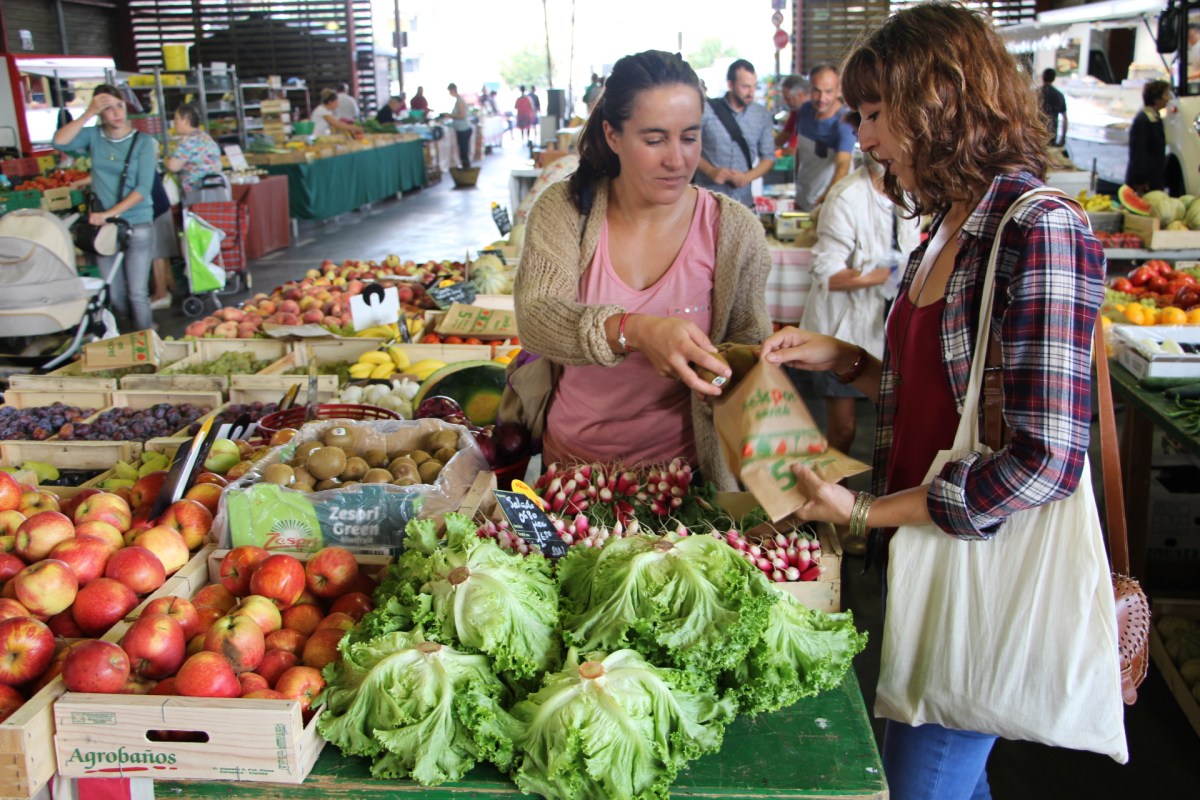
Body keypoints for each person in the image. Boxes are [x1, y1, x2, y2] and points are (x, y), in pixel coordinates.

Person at [760, 4, 1104, 797]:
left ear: (942, 101)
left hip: (979, 578)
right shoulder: (946, 225)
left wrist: (859, 514)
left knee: (920, 780)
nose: (865, 139)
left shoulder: (1038, 228)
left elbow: (1044, 460)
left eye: (877, 115)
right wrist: (844, 358)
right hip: (924, 562)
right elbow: (941, 394)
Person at [514, 49, 771, 489]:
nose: (677, 159)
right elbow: (537, 317)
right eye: (654, 140)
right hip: (572, 474)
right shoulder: (566, 209)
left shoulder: (733, 231)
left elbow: (748, 357)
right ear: (613, 135)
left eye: (690, 137)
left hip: (687, 480)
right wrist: (636, 331)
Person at [799, 110, 920, 477]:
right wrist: (885, 275)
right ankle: (825, 504)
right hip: (842, 329)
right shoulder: (847, 197)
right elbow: (827, 274)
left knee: (897, 422)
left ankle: (859, 505)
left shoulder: (911, 195)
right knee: (844, 429)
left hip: (886, 327)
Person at [53, 84, 158, 331]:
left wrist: (108, 214)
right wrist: (88, 113)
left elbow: (143, 189)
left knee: (137, 293)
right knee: (114, 292)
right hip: (104, 228)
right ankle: (126, 339)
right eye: (107, 108)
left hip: (137, 222)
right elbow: (59, 141)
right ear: (101, 113)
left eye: (119, 106)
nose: (116, 113)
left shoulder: (143, 143)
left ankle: (149, 345)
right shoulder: (94, 137)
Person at [695, 58, 775, 208]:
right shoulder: (706, 110)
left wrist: (747, 177)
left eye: (754, 87)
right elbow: (688, 148)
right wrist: (710, 170)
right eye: (745, 87)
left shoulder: (761, 114)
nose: (751, 93)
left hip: (743, 201)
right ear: (730, 85)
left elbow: (768, 157)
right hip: (707, 200)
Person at [791, 64, 856, 211]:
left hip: (827, 203)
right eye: (816, 91)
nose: (822, 98)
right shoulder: (804, 110)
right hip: (802, 197)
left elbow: (843, 166)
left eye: (828, 92)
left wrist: (826, 200)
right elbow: (800, 151)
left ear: (838, 91)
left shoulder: (845, 122)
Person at [165, 103, 222, 196]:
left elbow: (173, 167)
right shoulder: (205, 137)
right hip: (217, 188)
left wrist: (166, 160)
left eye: (176, 119)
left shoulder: (188, 141)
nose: (174, 123)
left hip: (197, 190)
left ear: (186, 121)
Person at [1126, 79, 1169, 194]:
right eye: (1166, 94)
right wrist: (1139, 180)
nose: (1168, 98)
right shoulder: (1143, 120)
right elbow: (1139, 151)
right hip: (1145, 183)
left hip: (1153, 179)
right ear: (1156, 98)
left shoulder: (1154, 118)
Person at [774, 74, 811, 151]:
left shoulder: (812, 112)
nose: (786, 102)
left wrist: (781, 151)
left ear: (800, 95)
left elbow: (796, 150)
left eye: (788, 98)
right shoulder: (796, 110)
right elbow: (785, 135)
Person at [1038, 68, 1067, 147]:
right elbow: (1065, 119)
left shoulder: (1035, 93)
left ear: (1043, 77)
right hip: (1051, 134)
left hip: (1035, 134)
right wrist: (1063, 138)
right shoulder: (1059, 95)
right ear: (1054, 78)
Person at [448, 83, 473, 169]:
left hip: (464, 129)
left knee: (464, 150)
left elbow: (462, 116)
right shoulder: (458, 100)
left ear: (453, 90)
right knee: (462, 149)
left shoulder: (460, 101)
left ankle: (466, 167)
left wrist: (450, 115)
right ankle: (465, 166)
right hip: (461, 129)